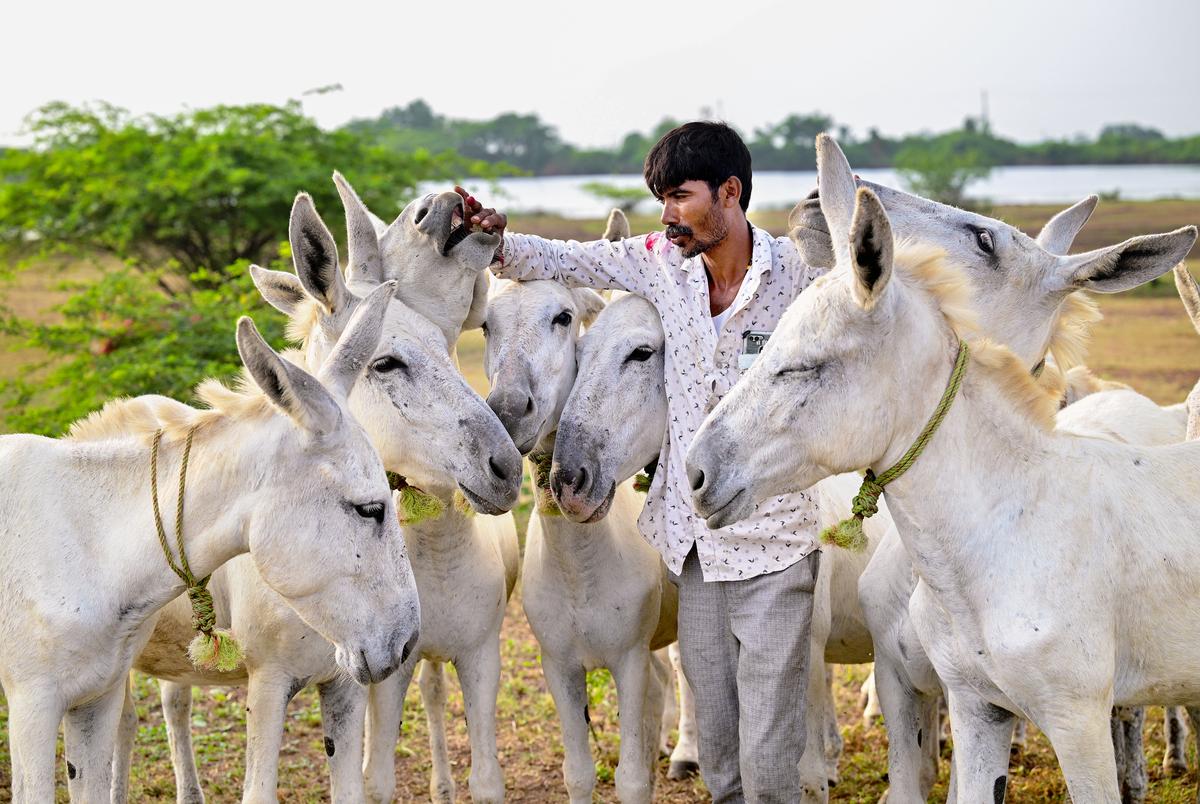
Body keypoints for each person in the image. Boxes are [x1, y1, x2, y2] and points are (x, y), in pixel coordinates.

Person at [458, 121, 824, 802]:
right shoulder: (661, 262)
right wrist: (495, 240)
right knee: (716, 744)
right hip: (693, 547)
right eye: (660, 199)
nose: (667, 215)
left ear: (730, 193)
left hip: (776, 542)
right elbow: (568, 261)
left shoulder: (799, 279)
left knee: (770, 747)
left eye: (680, 196)